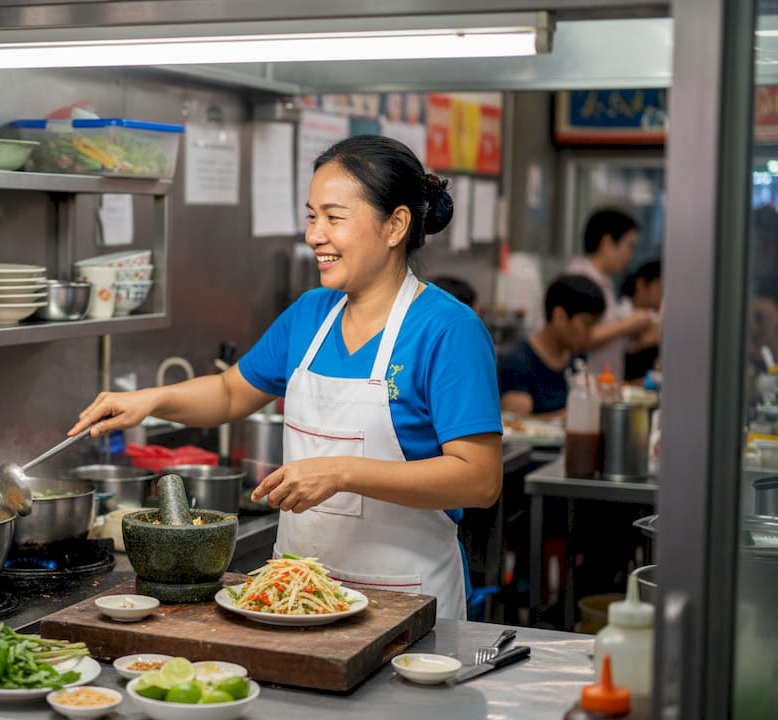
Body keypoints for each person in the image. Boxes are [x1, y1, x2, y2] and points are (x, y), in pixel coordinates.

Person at [69, 135, 503, 619]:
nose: (315, 235)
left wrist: (342, 472)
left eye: (334, 218)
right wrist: (150, 401)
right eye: (311, 216)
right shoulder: (310, 315)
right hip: (294, 598)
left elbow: (479, 478)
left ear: (395, 225)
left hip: (408, 601)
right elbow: (230, 391)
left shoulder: (448, 330)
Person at [497, 274, 606, 418]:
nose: (591, 333)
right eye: (586, 324)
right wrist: (574, 416)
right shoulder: (517, 362)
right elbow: (517, 425)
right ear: (559, 316)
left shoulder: (577, 359)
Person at [565, 208, 655, 377]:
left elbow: (607, 334)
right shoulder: (579, 278)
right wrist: (627, 324)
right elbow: (578, 337)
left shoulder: (604, 280)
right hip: (586, 384)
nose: (630, 255)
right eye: (629, 246)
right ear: (607, 243)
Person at [617, 260, 663, 381]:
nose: (662, 296)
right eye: (659, 290)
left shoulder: (652, 313)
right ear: (641, 284)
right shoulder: (622, 311)